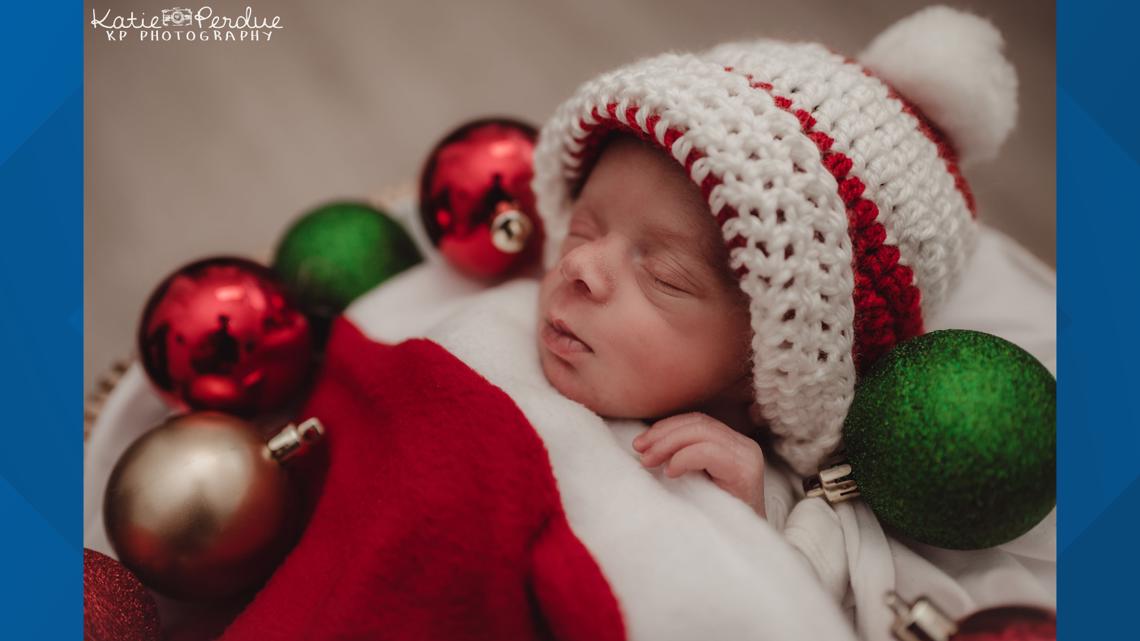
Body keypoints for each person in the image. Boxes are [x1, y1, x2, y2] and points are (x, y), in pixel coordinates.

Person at [530, 4, 1017, 520]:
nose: (579, 263)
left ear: (765, 375)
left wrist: (749, 514)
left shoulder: (757, 486)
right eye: (583, 227)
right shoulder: (492, 299)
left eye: (663, 276)